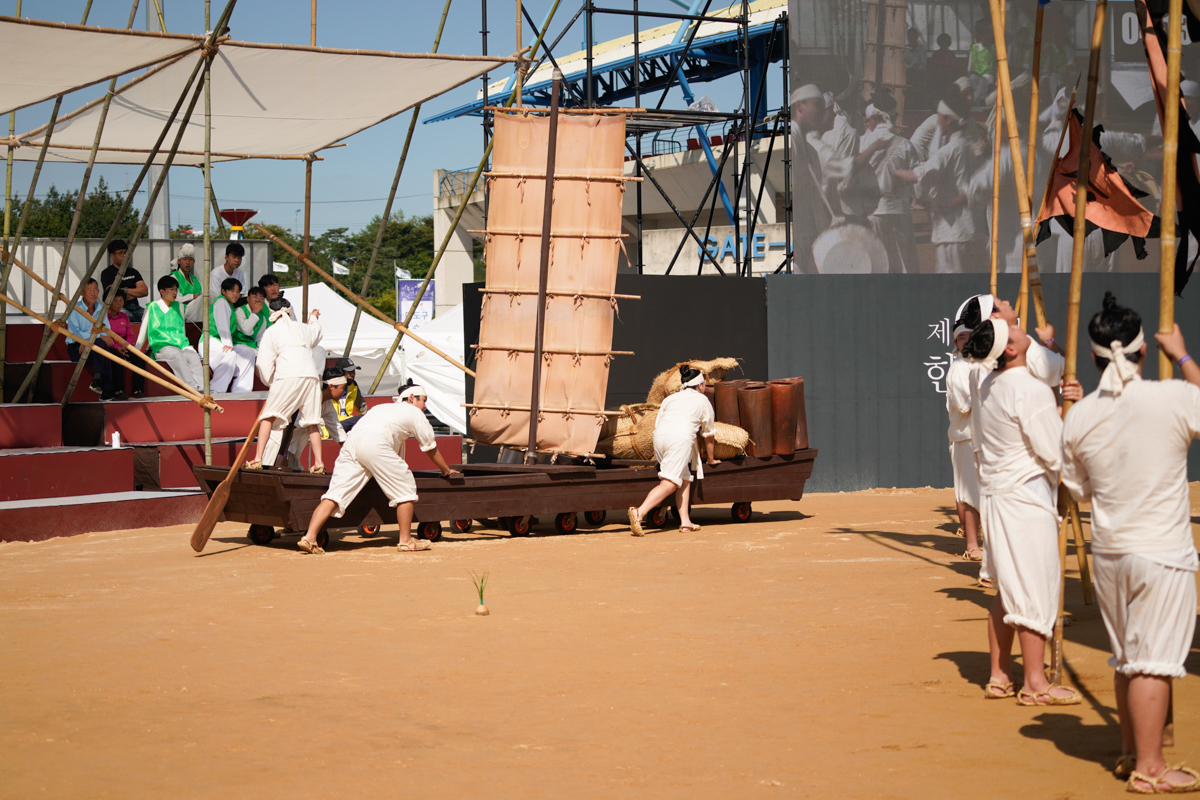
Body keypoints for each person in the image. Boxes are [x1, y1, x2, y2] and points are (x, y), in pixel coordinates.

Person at [1060, 294, 1200, 793]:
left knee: (1127, 658)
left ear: (1094, 356)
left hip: (1111, 552)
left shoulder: (1079, 417)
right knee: (1152, 662)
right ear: (1142, 350)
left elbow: (1078, 490)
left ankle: (1132, 750)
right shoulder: (1173, 397)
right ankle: (1151, 768)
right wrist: (1182, 356)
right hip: (1161, 552)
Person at [963, 317, 1081, 706]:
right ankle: (1034, 682)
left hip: (999, 498)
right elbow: (1054, 451)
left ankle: (1000, 676)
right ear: (1010, 350)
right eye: (1013, 329)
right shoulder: (1029, 389)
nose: (1019, 327)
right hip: (1026, 499)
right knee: (1032, 588)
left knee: (1009, 587)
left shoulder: (988, 384)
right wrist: (1072, 414)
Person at [297, 380, 462, 555]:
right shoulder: (415, 413)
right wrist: (446, 470)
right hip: (375, 443)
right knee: (405, 487)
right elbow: (430, 447)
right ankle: (406, 541)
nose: (425, 406)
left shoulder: (381, 408)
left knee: (335, 494)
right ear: (412, 398)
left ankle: (309, 537)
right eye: (424, 400)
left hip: (352, 443)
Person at [628, 366, 720, 536]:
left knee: (684, 479)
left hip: (659, 438)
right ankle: (639, 512)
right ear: (700, 385)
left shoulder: (670, 399)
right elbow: (708, 434)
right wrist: (711, 459)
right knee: (669, 483)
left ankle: (685, 522)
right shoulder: (702, 400)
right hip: (679, 440)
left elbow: (659, 422)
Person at [898, 91, 981, 273]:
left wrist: (894, 172)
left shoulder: (949, 150)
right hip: (967, 230)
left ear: (948, 119)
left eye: (940, 116)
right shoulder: (967, 147)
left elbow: (919, 175)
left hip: (953, 233)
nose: (937, 120)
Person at [246, 298, 326, 473]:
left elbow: (263, 364)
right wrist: (313, 317)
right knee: (312, 421)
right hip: (311, 377)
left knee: (268, 416)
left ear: (272, 314)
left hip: (287, 376)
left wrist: (270, 381)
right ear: (289, 312)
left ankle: (258, 459)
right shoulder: (304, 328)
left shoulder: (271, 332)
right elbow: (317, 331)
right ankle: (319, 463)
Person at [863, 95, 921, 273]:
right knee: (905, 267)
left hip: (871, 212)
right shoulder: (905, 144)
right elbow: (917, 178)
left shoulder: (861, 143)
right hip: (899, 210)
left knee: (877, 268)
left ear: (874, 118)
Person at [945, 304, 984, 565]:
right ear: (956, 343)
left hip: (987, 438)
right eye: (961, 338)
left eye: (971, 336)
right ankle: (972, 545)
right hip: (966, 438)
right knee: (969, 495)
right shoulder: (959, 369)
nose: (966, 341)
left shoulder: (985, 364)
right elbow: (964, 405)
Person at [265, 366, 349, 471]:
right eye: (343, 387)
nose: (344, 391)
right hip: (278, 449)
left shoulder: (327, 405)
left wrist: (353, 453)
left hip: (293, 451)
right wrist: (283, 455)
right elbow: (289, 427)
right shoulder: (310, 398)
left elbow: (338, 432)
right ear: (331, 386)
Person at [135, 275, 205, 393]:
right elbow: (143, 333)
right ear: (161, 291)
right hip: (162, 346)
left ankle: (202, 386)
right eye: (171, 289)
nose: (175, 292)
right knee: (176, 355)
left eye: (176, 289)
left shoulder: (180, 306)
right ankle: (191, 387)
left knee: (192, 355)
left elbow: (182, 329)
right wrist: (136, 351)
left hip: (181, 344)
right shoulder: (151, 307)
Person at [65, 278, 117, 398]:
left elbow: (106, 331)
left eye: (95, 290)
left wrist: (93, 339)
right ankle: (105, 391)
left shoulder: (101, 309)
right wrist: (90, 339)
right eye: (89, 290)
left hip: (94, 347)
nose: (93, 293)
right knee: (100, 344)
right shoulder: (74, 308)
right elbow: (75, 332)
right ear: (82, 293)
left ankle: (98, 381)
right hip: (77, 348)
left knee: (106, 352)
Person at [207, 277, 255, 393]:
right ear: (223, 291)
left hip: (222, 342)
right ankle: (216, 389)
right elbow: (222, 325)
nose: (235, 294)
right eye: (232, 291)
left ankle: (241, 390)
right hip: (212, 341)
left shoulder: (229, 304)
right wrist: (228, 344)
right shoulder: (221, 302)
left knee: (248, 353)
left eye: (238, 291)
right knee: (230, 354)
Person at [105, 289, 145, 399]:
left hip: (124, 347)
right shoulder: (103, 317)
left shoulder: (124, 316)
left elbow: (130, 335)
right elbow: (104, 337)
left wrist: (125, 347)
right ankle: (118, 390)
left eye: (121, 300)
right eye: (115, 300)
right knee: (117, 358)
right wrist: (116, 347)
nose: (118, 303)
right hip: (110, 347)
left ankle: (137, 390)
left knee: (140, 357)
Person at [99, 239, 148, 323]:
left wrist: (124, 290)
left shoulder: (133, 272)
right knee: (124, 316)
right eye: (120, 253)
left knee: (150, 316)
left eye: (125, 253)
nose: (124, 255)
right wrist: (135, 292)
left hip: (136, 307)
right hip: (120, 308)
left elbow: (144, 291)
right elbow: (113, 295)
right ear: (112, 255)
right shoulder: (107, 273)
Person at [171, 243, 206, 322]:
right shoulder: (174, 278)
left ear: (194, 262)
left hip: (197, 313)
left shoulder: (195, 280)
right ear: (179, 261)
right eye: (185, 259)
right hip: (182, 312)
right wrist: (192, 297)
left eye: (190, 260)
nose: (188, 262)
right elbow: (174, 299)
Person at [208, 242, 248, 307]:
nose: (237, 260)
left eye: (239, 258)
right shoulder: (216, 273)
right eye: (234, 257)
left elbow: (240, 294)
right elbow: (215, 297)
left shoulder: (239, 273)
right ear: (226, 257)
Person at [232, 285, 268, 356]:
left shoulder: (262, 317)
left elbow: (260, 338)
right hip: (238, 344)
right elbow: (246, 330)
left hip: (252, 346)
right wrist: (254, 313)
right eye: (255, 297)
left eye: (261, 298)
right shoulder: (239, 311)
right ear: (248, 299)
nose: (258, 300)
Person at [334, 356, 368, 431]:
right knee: (359, 420)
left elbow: (362, 406)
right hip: (334, 423)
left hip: (348, 422)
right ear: (340, 372)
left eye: (354, 371)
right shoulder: (330, 387)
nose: (353, 374)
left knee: (366, 419)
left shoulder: (353, 386)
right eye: (349, 372)